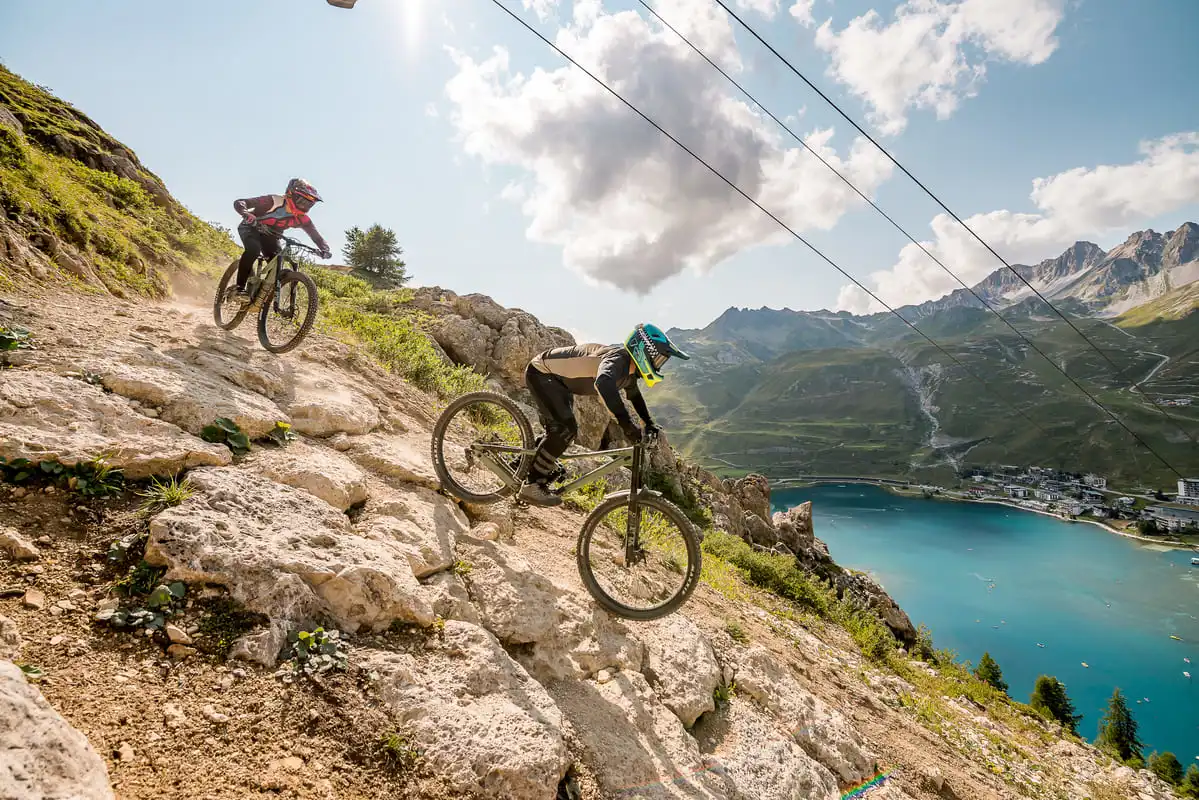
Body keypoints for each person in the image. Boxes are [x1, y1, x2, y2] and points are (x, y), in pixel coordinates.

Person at [518, 323, 690, 507]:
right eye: (658, 360)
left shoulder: (629, 371)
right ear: (643, 350)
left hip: (558, 382)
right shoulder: (618, 361)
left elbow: (634, 396)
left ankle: (521, 465)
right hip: (542, 374)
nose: (658, 365)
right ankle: (532, 485)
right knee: (565, 429)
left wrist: (648, 422)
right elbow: (604, 383)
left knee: (561, 430)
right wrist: (627, 426)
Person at [232, 178, 332, 298]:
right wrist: (245, 213)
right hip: (250, 228)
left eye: (308, 204)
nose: (304, 206)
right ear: (290, 194)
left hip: (271, 236)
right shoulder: (274, 201)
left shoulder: (302, 218)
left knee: (278, 265)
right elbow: (241, 202)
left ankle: (261, 297)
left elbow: (316, 236)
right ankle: (239, 289)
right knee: (253, 250)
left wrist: (325, 249)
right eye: (302, 201)